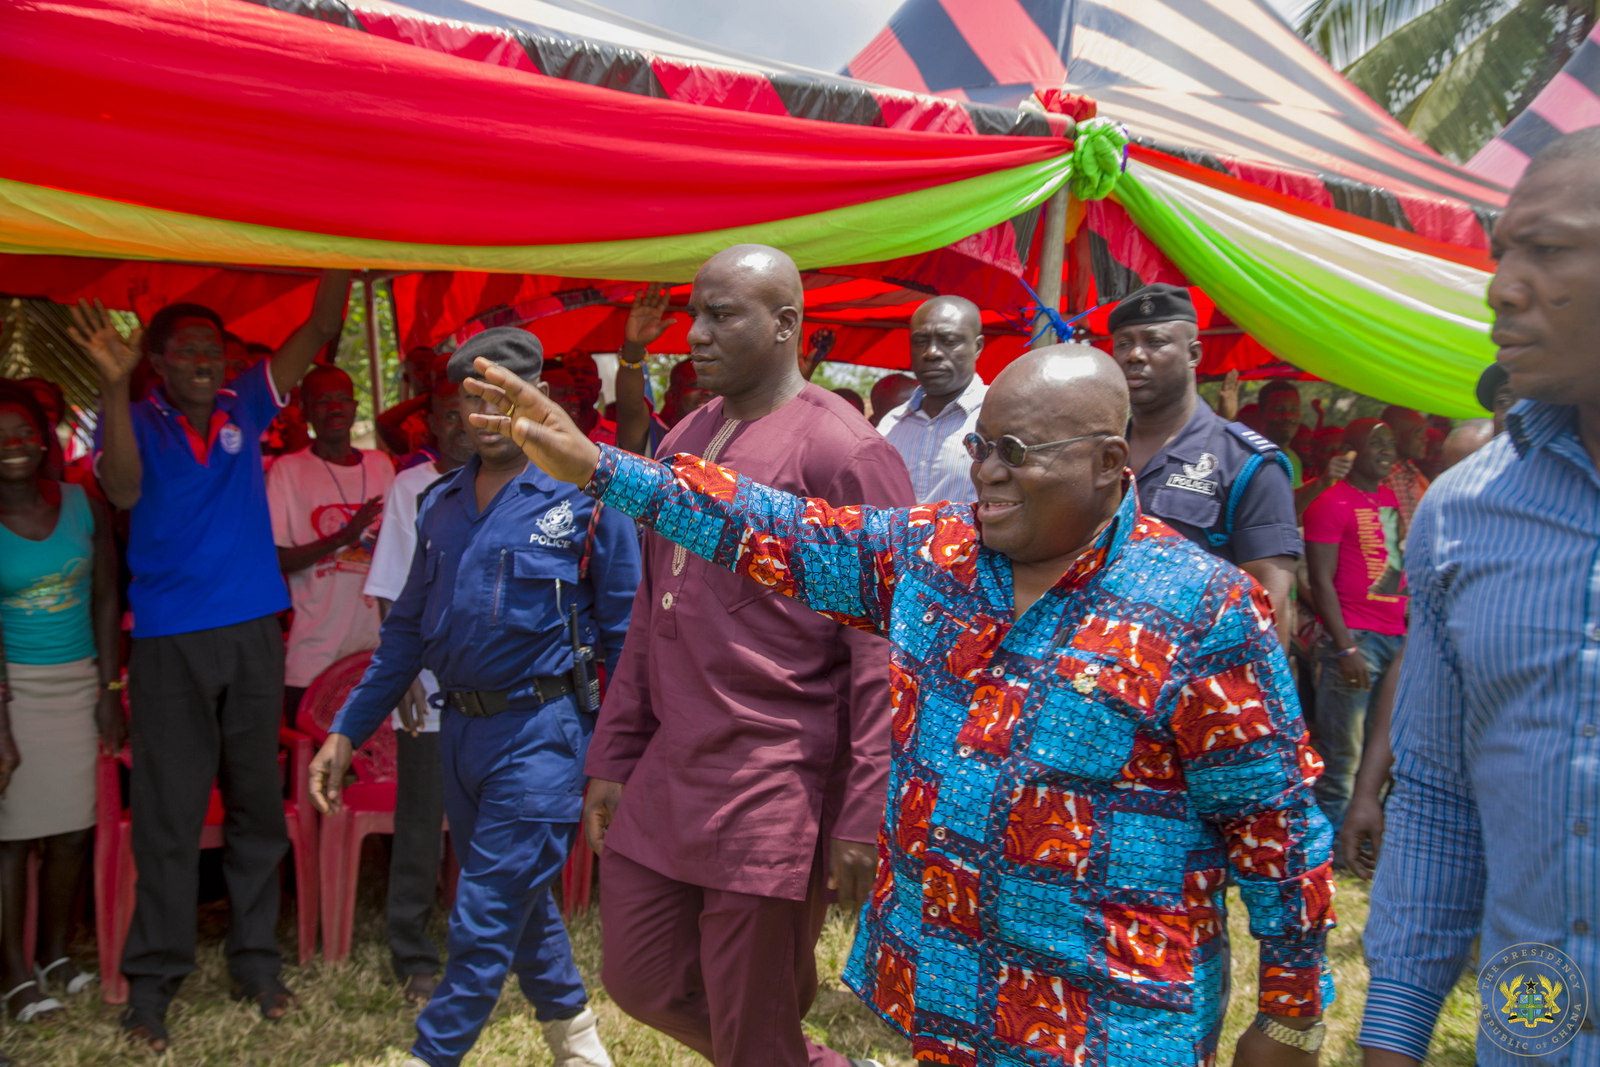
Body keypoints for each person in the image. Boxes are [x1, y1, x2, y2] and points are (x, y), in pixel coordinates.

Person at [467, 341, 1336, 1066]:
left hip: (1109, 1018)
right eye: (983, 447)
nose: (986, 473)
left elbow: (1275, 828)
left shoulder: (1202, 610)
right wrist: (596, 465)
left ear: (1111, 463)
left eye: (1017, 454)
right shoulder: (935, 557)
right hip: (948, 992)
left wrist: (1290, 1011)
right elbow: (768, 528)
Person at [580, 245, 913, 1067]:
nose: (693, 334)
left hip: (776, 778)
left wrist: (865, 811)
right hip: (672, 764)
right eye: (694, 314)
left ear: (786, 324)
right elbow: (649, 608)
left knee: (751, 1014)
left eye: (721, 315)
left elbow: (886, 651)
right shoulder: (688, 433)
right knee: (641, 977)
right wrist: (614, 756)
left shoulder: (845, 450)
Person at [308, 327, 637, 1067]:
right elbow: (406, 636)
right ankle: (581, 1046)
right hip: (459, 734)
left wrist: (615, 760)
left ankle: (432, 1054)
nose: (482, 418)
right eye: (469, 403)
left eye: (501, 400)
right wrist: (345, 729)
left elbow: (626, 640)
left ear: (537, 399)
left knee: (484, 912)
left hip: (545, 731)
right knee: (520, 902)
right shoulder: (442, 503)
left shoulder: (589, 493)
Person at [1358, 128, 1600, 1066]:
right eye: (1504, 253)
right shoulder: (1462, 514)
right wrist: (1391, 1039)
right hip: (1529, 1031)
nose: (1501, 285)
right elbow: (1439, 800)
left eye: (1550, 249)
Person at [67, 270, 350, 1052]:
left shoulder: (245, 404)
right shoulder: (132, 419)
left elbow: (320, 325)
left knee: (257, 805)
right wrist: (115, 389)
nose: (204, 359)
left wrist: (345, 238)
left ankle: (256, 964)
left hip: (254, 631)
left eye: (212, 349)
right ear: (154, 361)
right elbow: (121, 492)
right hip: (166, 643)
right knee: (169, 813)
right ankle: (154, 980)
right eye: (186, 348)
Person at [0, 383, 121, 1023]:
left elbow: (106, 597)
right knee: (13, 839)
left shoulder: (82, 504)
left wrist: (108, 690)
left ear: (43, 438)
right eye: (0, 439)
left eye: (23, 433)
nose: (13, 447)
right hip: (10, 687)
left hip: (76, 682)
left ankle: (53, 954)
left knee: (71, 831)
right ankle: (15, 975)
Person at [360, 374, 474, 1005]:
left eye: (470, 412)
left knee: (488, 828)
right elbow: (388, 589)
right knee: (421, 824)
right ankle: (412, 951)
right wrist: (397, 673)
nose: (461, 425)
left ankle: (484, 947)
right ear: (430, 424)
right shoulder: (412, 487)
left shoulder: (515, 478)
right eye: (447, 416)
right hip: (430, 688)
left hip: (502, 691)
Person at [1110, 283, 1301, 646]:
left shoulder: (1247, 463)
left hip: (1188, 678)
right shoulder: (1098, 449)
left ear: (1193, 353)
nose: (1134, 354)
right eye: (1123, 343)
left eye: (1154, 341)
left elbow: (1268, 606)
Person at [267, 365, 393, 725]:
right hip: (314, 655)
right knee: (313, 768)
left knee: (378, 771)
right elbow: (277, 560)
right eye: (322, 402)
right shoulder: (286, 471)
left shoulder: (381, 464)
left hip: (377, 649)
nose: (334, 409)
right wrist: (342, 538)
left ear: (355, 407)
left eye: (342, 399)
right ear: (305, 412)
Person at [1300, 418, 1407, 835]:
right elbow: (1318, 580)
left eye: (1390, 443)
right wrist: (1345, 647)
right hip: (1354, 641)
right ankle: (1330, 846)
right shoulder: (1330, 502)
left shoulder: (1386, 498)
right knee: (1343, 754)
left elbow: (1391, 568)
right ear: (1350, 451)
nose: (1386, 451)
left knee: (1381, 750)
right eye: (1376, 442)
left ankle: (1359, 833)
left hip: (1392, 638)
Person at [876, 295, 989, 504]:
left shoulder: (998, 415)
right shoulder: (890, 425)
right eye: (920, 342)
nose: (931, 353)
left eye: (949, 341)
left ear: (978, 347)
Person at [1376, 405, 1429, 536]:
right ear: (1395, 436)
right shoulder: (1383, 477)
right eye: (1418, 433)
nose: (1425, 439)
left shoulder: (1414, 474)